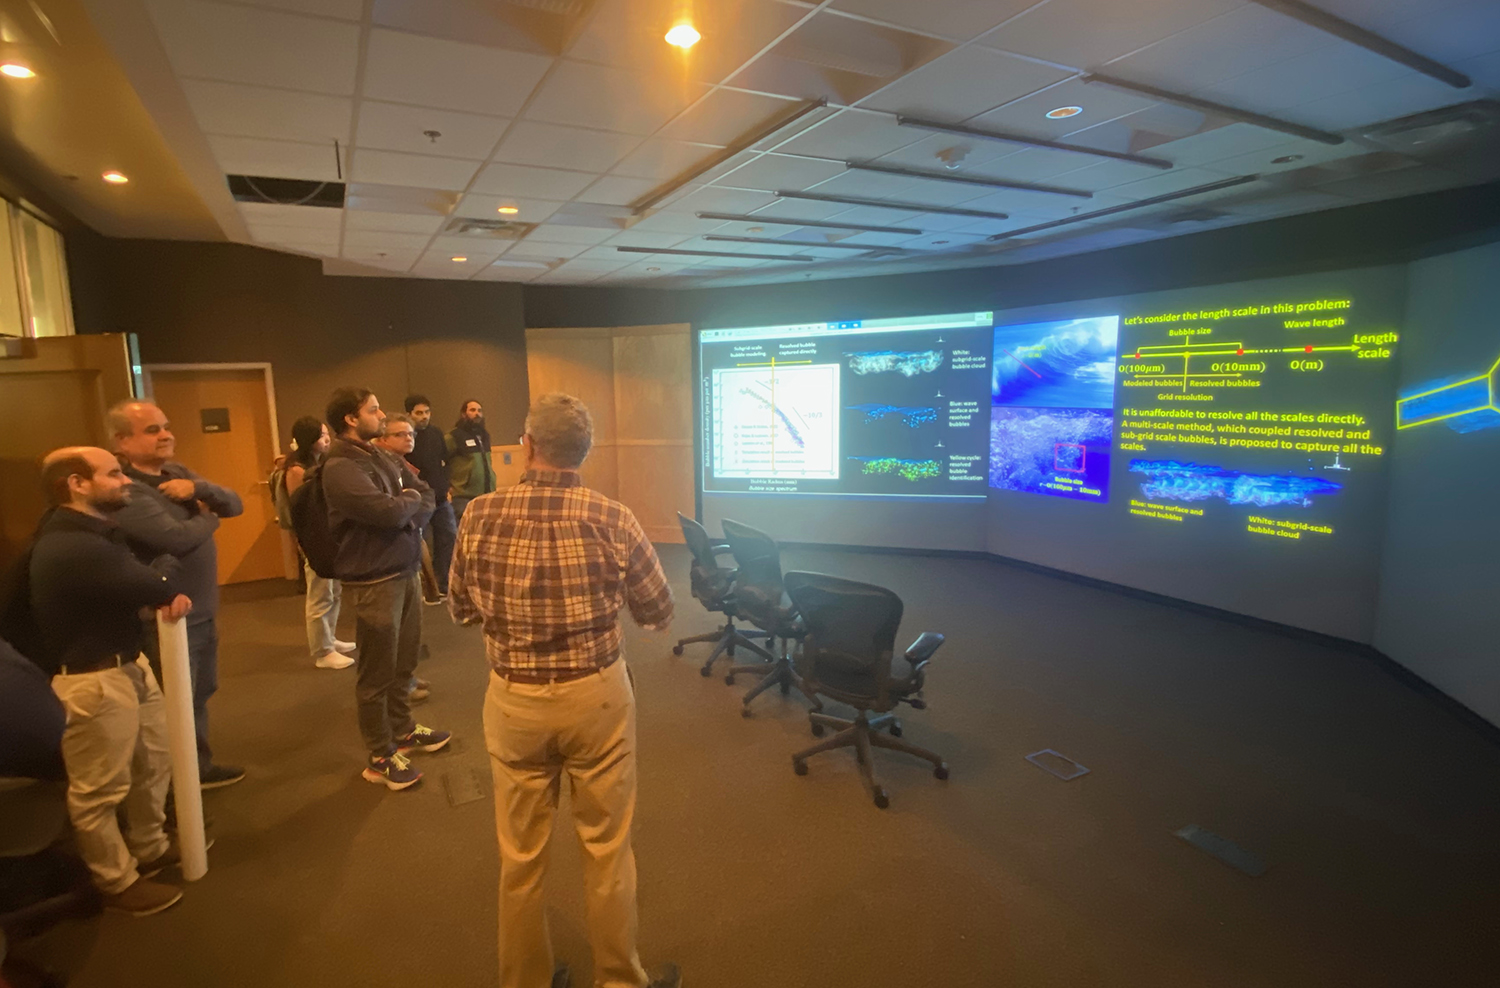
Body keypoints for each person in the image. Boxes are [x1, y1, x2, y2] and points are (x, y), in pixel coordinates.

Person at [449, 393, 679, 988]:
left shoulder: (477, 516)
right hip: (596, 699)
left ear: (526, 446)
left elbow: (460, 610)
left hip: (513, 701)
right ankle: (621, 982)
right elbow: (658, 609)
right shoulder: (615, 518)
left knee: (520, 860)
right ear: (585, 454)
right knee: (607, 850)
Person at [28, 446, 194, 916]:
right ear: (77, 485)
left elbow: (141, 580)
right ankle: (116, 881)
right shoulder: (72, 544)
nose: (127, 481)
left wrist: (155, 573)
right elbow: (157, 584)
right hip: (92, 682)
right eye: (114, 473)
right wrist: (164, 570)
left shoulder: (96, 533)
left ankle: (149, 846)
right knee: (98, 791)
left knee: (153, 763)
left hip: (126, 665)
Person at [109, 400, 245, 790]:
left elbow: (233, 502)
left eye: (165, 426)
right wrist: (206, 515)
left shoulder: (177, 473)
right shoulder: (127, 490)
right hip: (167, 619)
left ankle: (195, 771)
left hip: (201, 610)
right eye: (152, 430)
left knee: (199, 694)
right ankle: (171, 791)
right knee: (172, 705)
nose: (166, 434)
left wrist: (199, 489)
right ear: (122, 441)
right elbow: (173, 538)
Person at [322, 388, 450, 791]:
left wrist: (407, 504)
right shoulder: (340, 466)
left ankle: (404, 731)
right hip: (374, 578)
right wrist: (406, 504)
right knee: (376, 671)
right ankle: (379, 755)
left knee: (404, 661)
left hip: (405, 569)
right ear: (350, 418)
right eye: (373, 410)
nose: (380, 415)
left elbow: (423, 492)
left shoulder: (379, 456)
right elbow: (385, 511)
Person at [282, 416, 357, 670]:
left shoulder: (321, 464)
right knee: (319, 594)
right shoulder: (296, 470)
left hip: (328, 534)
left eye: (327, 434)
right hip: (313, 537)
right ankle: (322, 651)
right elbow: (300, 510)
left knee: (333, 591)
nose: (327, 439)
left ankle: (330, 638)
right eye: (322, 435)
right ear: (309, 440)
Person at [372, 413, 433, 703]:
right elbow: (387, 512)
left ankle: (404, 680)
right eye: (401, 434)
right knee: (390, 632)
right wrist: (407, 514)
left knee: (411, 630)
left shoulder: (401, 464)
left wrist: (412, 518)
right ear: (383, 439)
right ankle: (395, 692)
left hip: (409, 546)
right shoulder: (372, 465)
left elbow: (424, 495)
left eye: (411, 434)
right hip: (387, 560)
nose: (408, 438)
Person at [404, 395, 454, 603]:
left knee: (450, 537)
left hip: (440, 497)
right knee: (425, 544)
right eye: (419, 413)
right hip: (419, 499)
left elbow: (445, 460)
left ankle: (445, 584)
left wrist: (446, 484)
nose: (424, 417)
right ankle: (428, 589)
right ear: (409, 414)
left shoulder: (435, 433)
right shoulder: (406, 436)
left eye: (427, 412)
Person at [445, 398, 496, 525]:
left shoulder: (485, 436)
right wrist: (447, 485)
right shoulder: (453, 436)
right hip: (464, 495)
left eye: (479, 411)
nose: (477, 413)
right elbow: (441, 461)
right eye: (472, 410)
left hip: (486, 493)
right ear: (463, 414)